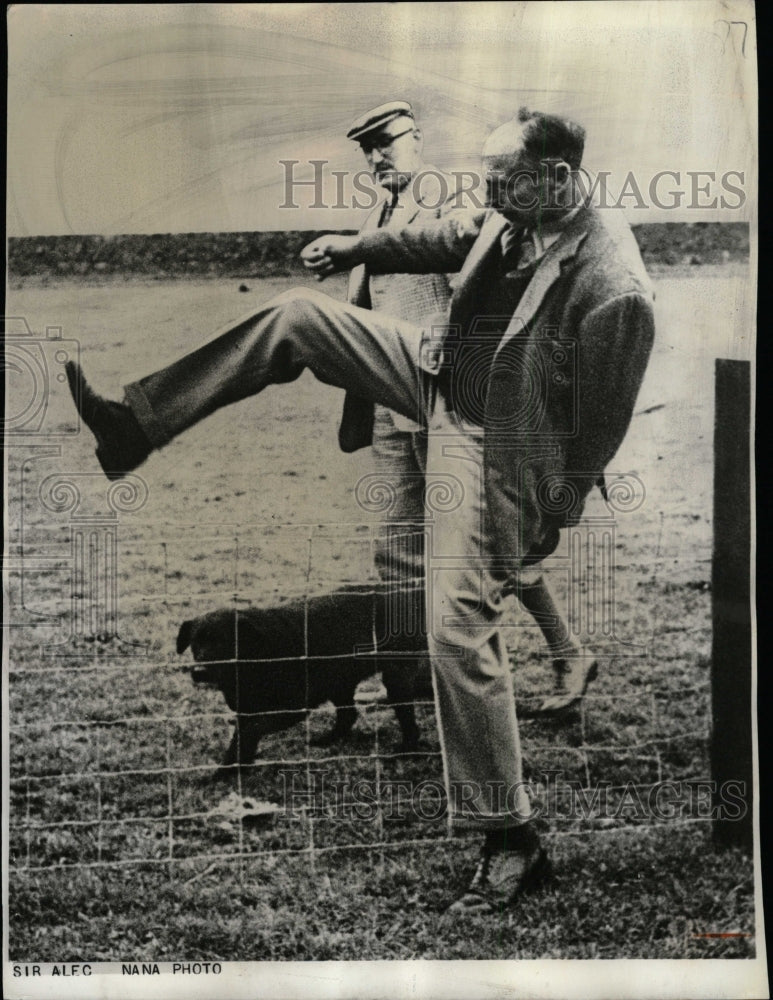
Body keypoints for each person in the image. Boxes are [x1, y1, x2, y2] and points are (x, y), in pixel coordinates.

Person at [65, 107, 655, 914]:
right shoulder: (513, 208)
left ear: (555, 177)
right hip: (438, 374)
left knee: (453, 630)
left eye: (500, 178)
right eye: (484, 177)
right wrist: (356, 246)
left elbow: (600, 428)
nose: (484, 191)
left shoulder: (613, 284)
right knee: (299, 317)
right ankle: (134, 423)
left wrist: (546, 520)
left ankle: (509, 839)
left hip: (497, 446)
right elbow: (451, 238)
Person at [340, 101, 593, 715]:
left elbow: (481, 303)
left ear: (417, 139)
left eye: (387, 142)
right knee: (398, 550)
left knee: (480, 553)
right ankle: (409, 682)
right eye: (367, 147)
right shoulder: (376, 213)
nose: (377, 156)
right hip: (389, 406)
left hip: (449, 401)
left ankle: (565, 654)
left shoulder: (459, 205)